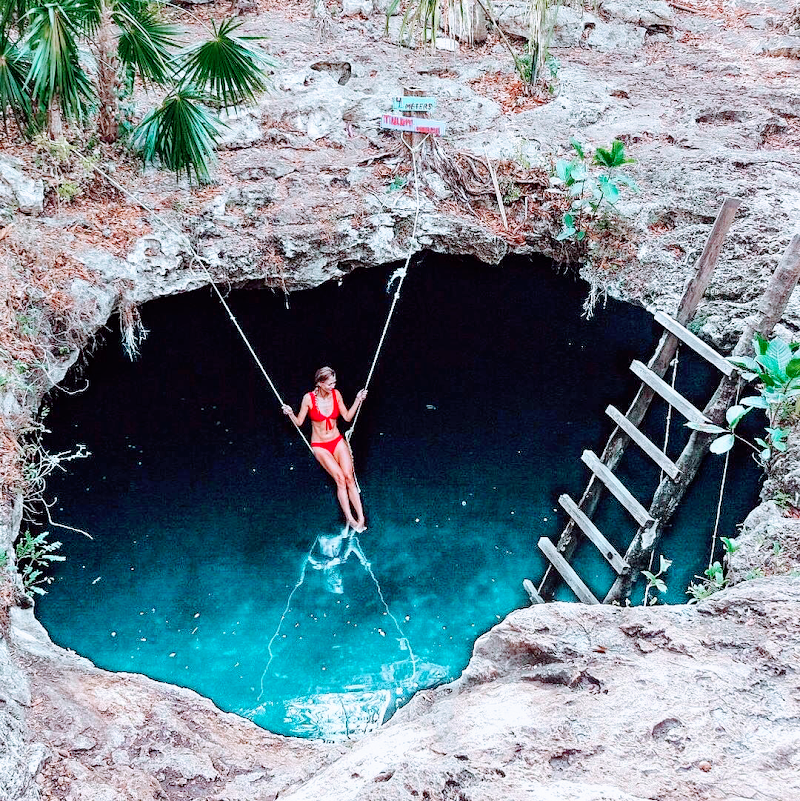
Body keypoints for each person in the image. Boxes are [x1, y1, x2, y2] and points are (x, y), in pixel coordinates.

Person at [282, 367, 368, 531]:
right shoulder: (308, 398)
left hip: (337, 440)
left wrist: (358, 400)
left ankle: (361, 517)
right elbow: (299, 422)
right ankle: (350, 518)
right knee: (340, 479)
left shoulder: (336, 394)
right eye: (329, 384)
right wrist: (290, 413)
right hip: (320, 445)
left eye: (334, 383)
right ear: (319, 383)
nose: (333, 386)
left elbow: (347, 417)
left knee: (349, 478)